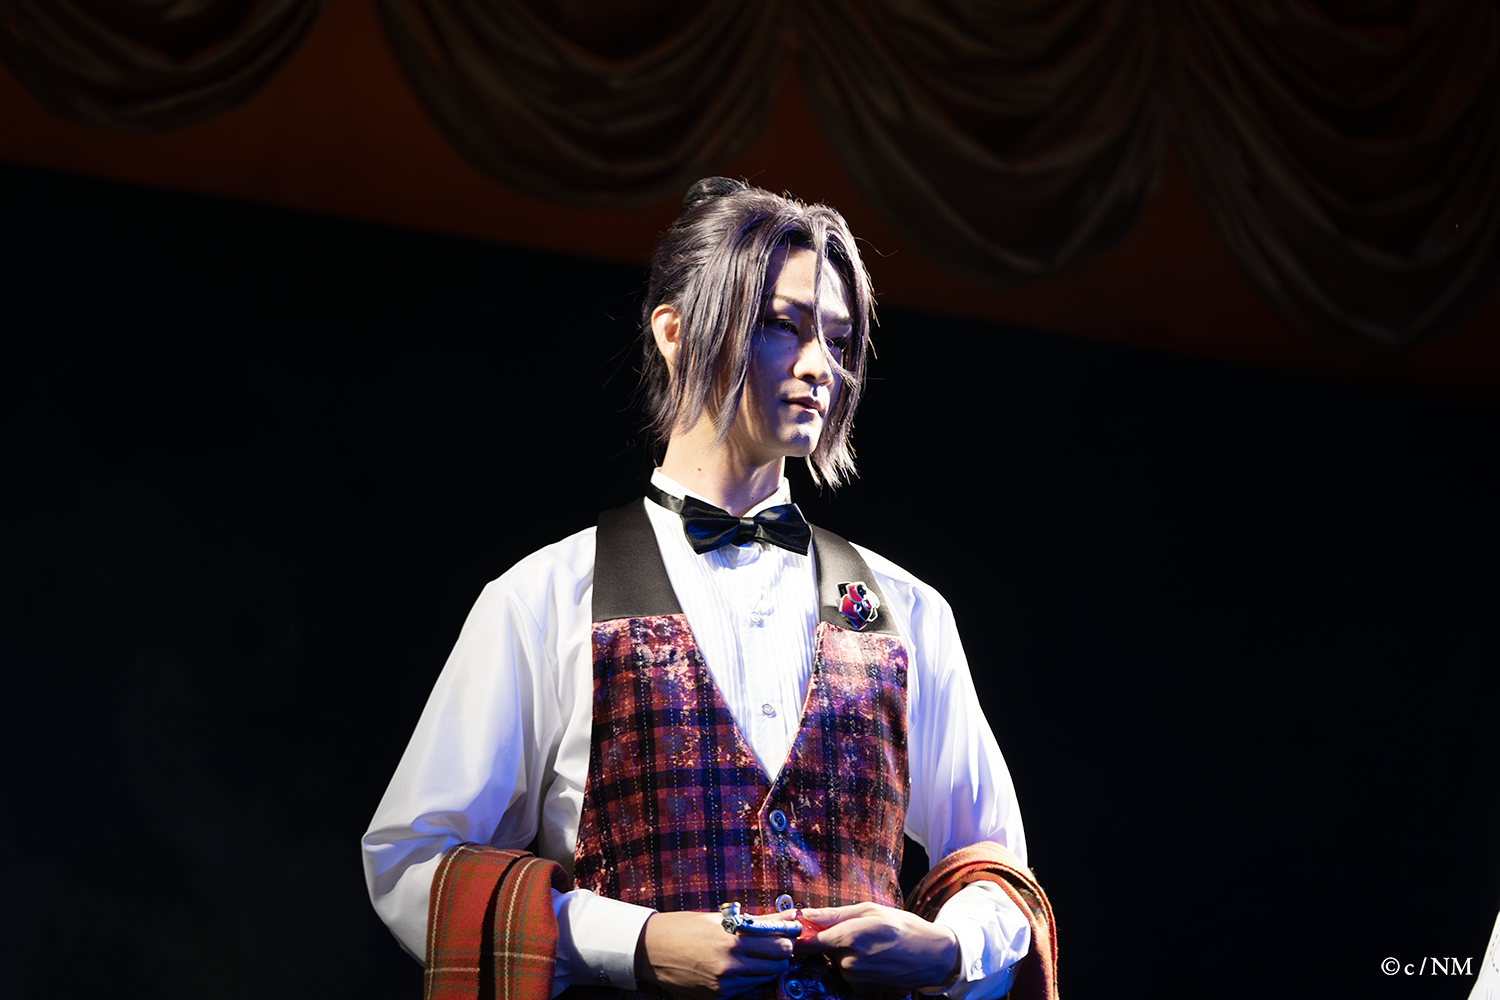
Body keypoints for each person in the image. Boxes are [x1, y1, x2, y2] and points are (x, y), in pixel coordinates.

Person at [362, 178, 1055, 1000]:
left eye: (838, 339)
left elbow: (995, 871)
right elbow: (412, 862)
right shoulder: (543, 600)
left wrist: (946, 949)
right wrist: (635, 942)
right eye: (782, 326)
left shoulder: (908, 614)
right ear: (677, 331)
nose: (820, 367)